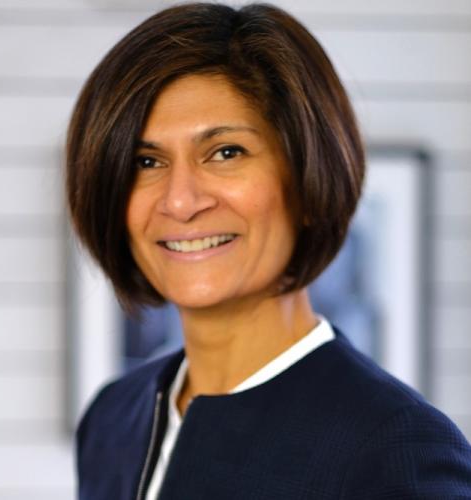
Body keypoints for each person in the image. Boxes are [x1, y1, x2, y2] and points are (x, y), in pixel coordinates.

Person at [66, 3, 471, 499]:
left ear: (307, 180)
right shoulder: (114, 419)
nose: (180, 201)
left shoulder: (394, 448)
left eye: (226, 152)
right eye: (147, 161)